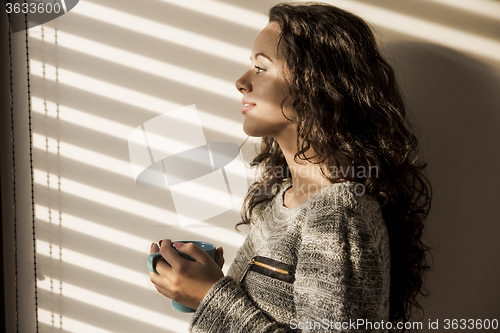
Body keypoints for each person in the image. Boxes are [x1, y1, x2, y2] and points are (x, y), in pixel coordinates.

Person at [149, 3, 432, 332]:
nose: (241, 82)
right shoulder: (281, 202)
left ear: (315, 85)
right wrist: (205, 287)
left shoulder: (339, 214)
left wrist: (211, 296)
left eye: (261, 68)